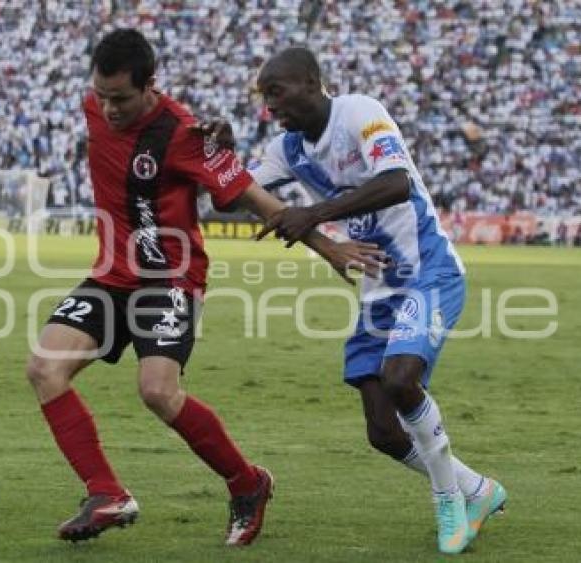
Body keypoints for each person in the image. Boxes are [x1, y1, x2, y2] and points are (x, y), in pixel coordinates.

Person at [26, 29, 385, 547]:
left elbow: (257, 200)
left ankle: (248, 483)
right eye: (101, 96)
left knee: (156, 390)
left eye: (121, 99)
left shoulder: (183, 133)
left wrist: (328, 247)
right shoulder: (94, 105)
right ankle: (106, 492)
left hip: (170, 278)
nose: (107, 109)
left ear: (151, 86)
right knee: (43, 368)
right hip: (110, 275)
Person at [212, 47, 506, 554]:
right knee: (383, 433)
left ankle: (447, 500)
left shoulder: (359, 112)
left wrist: (315, 214)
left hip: (429, 272)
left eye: (276, 94)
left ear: (311, 82)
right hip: (379, 291)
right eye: (264, 100)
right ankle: (477, 490)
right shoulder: (288, 149)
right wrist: (219, 158)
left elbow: (396, 183)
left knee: (400, 378)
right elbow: (229, 197)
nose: (270, 108)